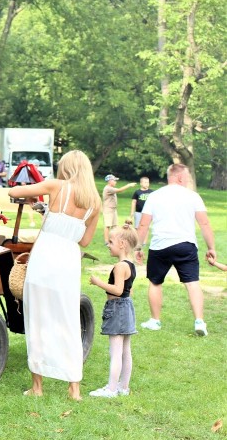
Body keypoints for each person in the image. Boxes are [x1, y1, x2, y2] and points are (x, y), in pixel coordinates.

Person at [8, 150, 101, 400]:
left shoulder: (56, 186)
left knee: (38, 318)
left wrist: (47, 207)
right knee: (68, 320)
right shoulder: (95, 201)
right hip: (68, 259)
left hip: (46, 255)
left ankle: (37, 387)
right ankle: (74, 389)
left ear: (66, 168)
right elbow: (86, 240)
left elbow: (14, 192)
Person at [135, 163, 216, 336]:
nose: (187, 180)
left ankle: (155, 321)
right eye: (186, 177)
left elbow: (143, 224)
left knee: (155, 282)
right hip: (186, 245)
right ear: (179, 177)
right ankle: (199, 321)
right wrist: (211, 248)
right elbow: (204, 223)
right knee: (192, 283)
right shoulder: (193, 196)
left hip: (160, 246)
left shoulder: (154, 196)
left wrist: (138, 246)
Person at [88, 223, 139, 398]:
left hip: (117, 308)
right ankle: (123, 387)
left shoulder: (120, 266)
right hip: (127, 307)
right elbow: (128, 290)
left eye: (110, 242)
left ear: (122, 244)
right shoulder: (131, 265)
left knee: (115, 352)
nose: (108, 245)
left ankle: (110, 389)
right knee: (126, 350)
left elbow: (117, 290)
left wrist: (97, 282)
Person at [102, 175, 136, 245]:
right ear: (110, 181)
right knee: (107, 225)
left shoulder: (111, 188)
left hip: (113, 209)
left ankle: (114, 239)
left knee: (115, 226)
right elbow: (119, 190)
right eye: (114, 180)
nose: (116, 182)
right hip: (108, 209)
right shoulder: (108, 188)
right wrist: (129, 185)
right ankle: (106, 241)